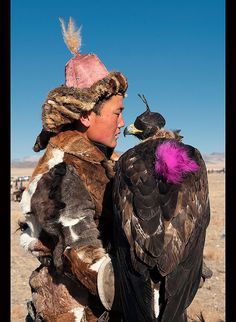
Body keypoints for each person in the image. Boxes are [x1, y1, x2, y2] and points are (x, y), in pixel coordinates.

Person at [19, 17, 128, 322]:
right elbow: (82, 253)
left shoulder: (104, 163)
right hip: (73, 313)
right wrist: (142, 286)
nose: (122, 122)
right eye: (117, 113)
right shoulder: (62, 171)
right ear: (85, 116)